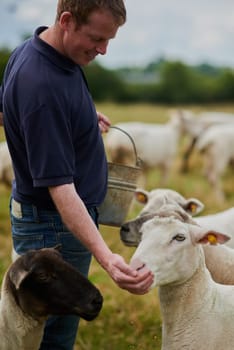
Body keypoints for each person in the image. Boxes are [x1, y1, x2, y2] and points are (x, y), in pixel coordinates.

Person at [0, 1, 154, 349]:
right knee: (50, 333)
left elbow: (7, 107)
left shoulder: (40, 50)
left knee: (50, 327)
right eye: (97, 38)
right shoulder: (42, 82)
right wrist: (108, 258)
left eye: (109, 40)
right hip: (54, 225)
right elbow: (61, 189)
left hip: (53, 219)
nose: (103, 50)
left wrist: (79, 117)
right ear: (67, 21)